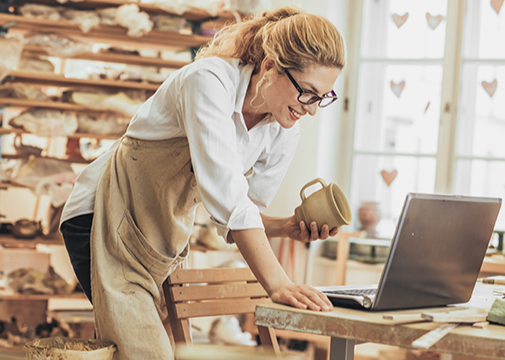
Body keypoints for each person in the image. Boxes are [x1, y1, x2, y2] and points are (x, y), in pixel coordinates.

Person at [60, 5, 346, 359]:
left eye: (322, 98)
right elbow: (231, 204)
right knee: (144, 351)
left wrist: (286, 227)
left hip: (159, 239)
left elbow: (243, 214)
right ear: (270, 65)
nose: (312, 108)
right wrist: (278, 283)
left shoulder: (283, 131)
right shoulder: (208, 81)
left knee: (161, 349)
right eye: (307, 92)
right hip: (99, 219)